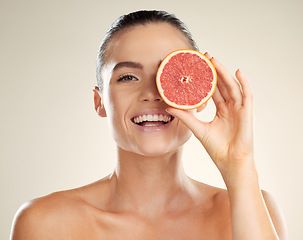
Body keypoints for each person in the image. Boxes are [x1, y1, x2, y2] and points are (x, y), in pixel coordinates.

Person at [11, 10, 287, 239]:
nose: (153, 93)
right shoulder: (45, 224)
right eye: (128, 77)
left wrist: (239, 166)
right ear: (99, 102)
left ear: (198, 96)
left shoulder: (252, 206)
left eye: (171, 76)